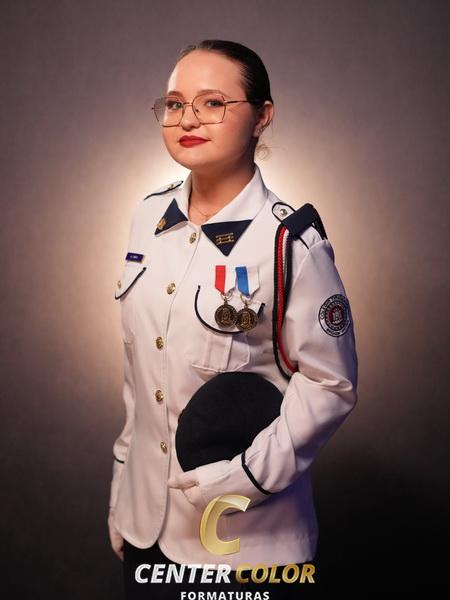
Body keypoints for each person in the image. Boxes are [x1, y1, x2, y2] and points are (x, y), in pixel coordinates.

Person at [107, 39, 358, 598]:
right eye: (175, 104)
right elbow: (141, 373)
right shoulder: (148, 217)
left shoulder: (289, 241)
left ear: (262, 117)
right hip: (145, 528)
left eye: (213, 103)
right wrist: (123, 490)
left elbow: (330, 385)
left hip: (244, 542)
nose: (187, 119)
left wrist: (241, 481)